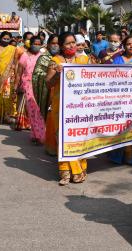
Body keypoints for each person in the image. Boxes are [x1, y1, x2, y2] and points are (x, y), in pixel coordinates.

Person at [45, 32, 90, 185]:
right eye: (68, 43)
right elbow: (48, 83)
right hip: (61, 106)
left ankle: (79, 170)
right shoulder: (55, 61)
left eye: (74, 43)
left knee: (80, 137)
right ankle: (65, 172)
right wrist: (57, 74)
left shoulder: (84, 60)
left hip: (80, 106)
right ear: (62, 46)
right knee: (64, 138)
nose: (72, 46)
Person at [108, 36, 132, 166]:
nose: (131, 46)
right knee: (120, 125)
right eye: (128, 44)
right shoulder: (117, 60)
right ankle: (117, 156)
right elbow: (110, 78)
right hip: (120, 99)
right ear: (124, 46)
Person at [14, 36, 46, 142]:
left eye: (39, 44)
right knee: (33, 110)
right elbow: (19, 73)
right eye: (35, 44)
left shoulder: (43, 57)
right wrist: (16, 86)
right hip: (28, 85)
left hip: (41, 86)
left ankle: (38, 133)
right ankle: (37, 134)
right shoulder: (24, 56)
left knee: (40, 110)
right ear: (30, 44)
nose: (36, 46)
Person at [32, 34, 60, 121]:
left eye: (58, 43)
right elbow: (36, 74)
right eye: (53, 43)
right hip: (47, 92)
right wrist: (50, 75)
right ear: (48, 44)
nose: (56, 45)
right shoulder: (43, 58)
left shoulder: (63, 58)